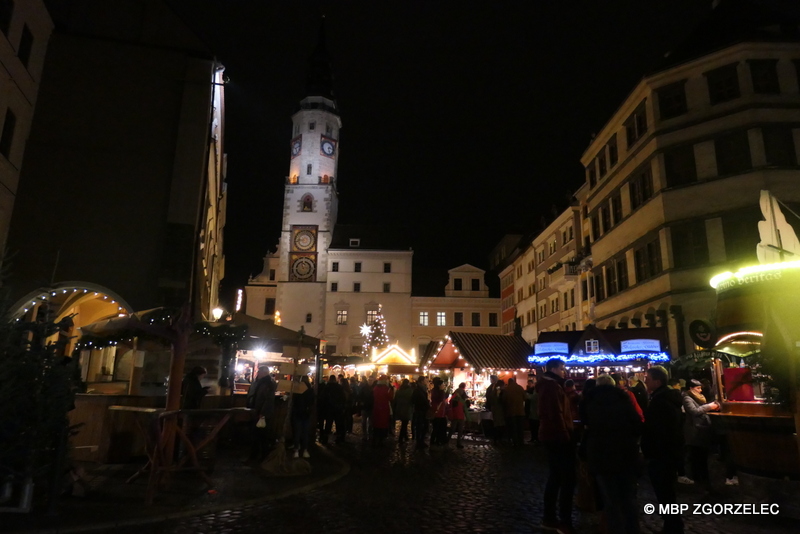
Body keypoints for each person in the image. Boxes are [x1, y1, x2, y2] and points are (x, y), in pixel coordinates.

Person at [581, 374, 642, 534]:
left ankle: (615, 529)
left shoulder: (590, 401)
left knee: (610, 500)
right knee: (628, 498)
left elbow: (586, 425)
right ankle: (632, 530)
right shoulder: (624, 399)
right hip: (625, 454)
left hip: (601, 455)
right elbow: (637, 425)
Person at [642, 365, 684, 534]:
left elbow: (659, 430)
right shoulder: (666, 397)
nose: (645, 381)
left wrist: (650, 449)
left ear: (657, 382)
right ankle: (672, 524)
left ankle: (673, 526)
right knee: (667, 492)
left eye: (648, 378)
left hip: (662, 455)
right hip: (669, 453)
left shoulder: (660, 401)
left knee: (665, 493)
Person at [537, 358, 576, 534]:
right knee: (562, 477)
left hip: (553, 435)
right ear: (553, 369)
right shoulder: (551, 386)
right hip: (556, 436)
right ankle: (558, 519)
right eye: (561, 368)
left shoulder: (551, 385)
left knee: (557, 477)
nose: (564, 371)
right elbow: (555, 412)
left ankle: (551, 517)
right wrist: (564, 433)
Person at [682, 379, 720, 490]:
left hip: (701, 428)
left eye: (700, 388)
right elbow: (694, 411)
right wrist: (709, 406)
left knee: (702, 455)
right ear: (691, 389)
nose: (700, 390)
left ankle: (702, 477)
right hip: (694, 429)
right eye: (698, 388)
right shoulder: (687, 398)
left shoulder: (697, 397)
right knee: (696, 454)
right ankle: (698, 478)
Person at [249, 367, 277, 462]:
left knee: (261, 435)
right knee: (259, 435)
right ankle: (258, 456)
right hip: (259, 411)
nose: (258, 373)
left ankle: (261, 456)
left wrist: (263, 413)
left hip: (262, 413)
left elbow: (268, 399)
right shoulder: (263, 382)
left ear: (264, 372)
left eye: (259, 371)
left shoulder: (267, 383)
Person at [292, 375, 315, 458]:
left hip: (298, 412)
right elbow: (312, 401)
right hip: (306, 413)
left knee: (297, 432)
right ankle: (305, 450)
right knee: (305, 432)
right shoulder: (311, 389)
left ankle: (296, 450)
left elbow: (294, 401)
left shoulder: (297, 389)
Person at [321, 375, 346, 445]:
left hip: (329, 408)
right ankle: (338, 439)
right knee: (338, 424)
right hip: (338, 408)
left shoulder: (327, 387)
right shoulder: (339, 387)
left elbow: (323, 398)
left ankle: (325, 439)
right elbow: (343, 398)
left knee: (328, 424)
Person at [504, 375, 527, 447]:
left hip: (511, 412)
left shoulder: (507, 389)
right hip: (520, 411)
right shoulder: (520, 388)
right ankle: (521, 441)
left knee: (513, 428)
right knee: (520, 428)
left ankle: (515, 441)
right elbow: (525, 398)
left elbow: (504, 400)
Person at [372, 376, 392, 446]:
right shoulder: (387, 389)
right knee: (383, 423)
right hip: (384, 408)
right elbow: (390, 398)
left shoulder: (375, 388)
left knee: (376, 423)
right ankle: (381, 440)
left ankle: (375, 439)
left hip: (376, 408)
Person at [411, 376, 430, 450]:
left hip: (422, 410)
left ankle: (421, 441)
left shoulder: (422, 389)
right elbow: (414, 400)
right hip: (420, 411)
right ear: (422, 381)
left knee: (423, 426)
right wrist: (425, 403)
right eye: (426, 380)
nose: (427, 382)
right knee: (420, 426)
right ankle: (419, 442)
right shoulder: (418, 390)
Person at [448, 382, 469, 448]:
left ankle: (447, 441)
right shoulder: (462, 395)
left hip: (455, 414)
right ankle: (458, 443)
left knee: (452, 429)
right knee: (460, 430)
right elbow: (465, 405)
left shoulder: (454, 395)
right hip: (460, 414)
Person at [393, 378, 414, 443]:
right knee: (405, 424)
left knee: (404, 423)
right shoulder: (410, 391)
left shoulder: (399, 390)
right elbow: (412, 400)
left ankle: (405, 436)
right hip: (407, 409)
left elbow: (395, 400)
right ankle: (401, 438)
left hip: (400, 409)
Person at [430, 377, 448, 447]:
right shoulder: (438, 393)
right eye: (442, 384)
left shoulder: (436, 391)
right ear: (439, 385)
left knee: (439, 427)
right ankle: (435, 441)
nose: (444, 385)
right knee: (437, 428)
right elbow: (440, 400)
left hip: (440, 412)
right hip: (438, 412)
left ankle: (438, 440)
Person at [488, 379, 506, 444]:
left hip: (494, 408)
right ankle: (499, 439)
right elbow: (501, 399)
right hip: (499, 409)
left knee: (496, 424)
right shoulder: (498, 390)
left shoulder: (494, 389)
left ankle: (496, 439)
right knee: (499, 424)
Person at [359, 376, 374, 442]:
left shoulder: (374, 388)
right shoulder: (364, 388)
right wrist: (361, 402)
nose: (370, 381)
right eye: (369, 380)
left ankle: (369, 434)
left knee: (370, 422)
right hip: (365, 406)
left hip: (371, 407)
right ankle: (364, 435)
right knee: (364, 422)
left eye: (371, 380)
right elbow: (360, 395)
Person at [526, 377, 540, 444]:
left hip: (535, 412)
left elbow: (532, 398)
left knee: (534, 426)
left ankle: (535, 438)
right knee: (534, 426)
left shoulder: (536, 392)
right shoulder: (535, 391)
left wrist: (526, 394)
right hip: (534, 412)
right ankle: (534, 438)